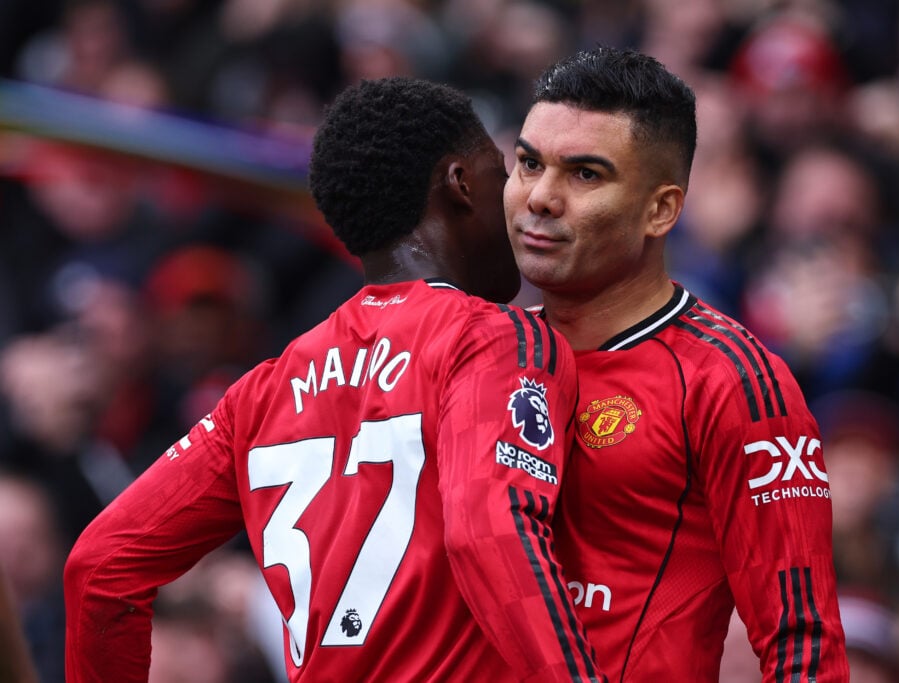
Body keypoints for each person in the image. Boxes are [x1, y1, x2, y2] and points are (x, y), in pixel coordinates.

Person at [64, 76, 604, 682]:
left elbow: (100, 566)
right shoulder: (493, 339)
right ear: (461, 184)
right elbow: (491, 532)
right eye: (502, 175)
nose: (522, 202)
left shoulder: (263, 391)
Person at [503, 46, 849, 681]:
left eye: (586, 175)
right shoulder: (483, 353)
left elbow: (802, 642)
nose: (541, 197)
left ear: (661, 209)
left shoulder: (736, 381)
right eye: (529, 164)